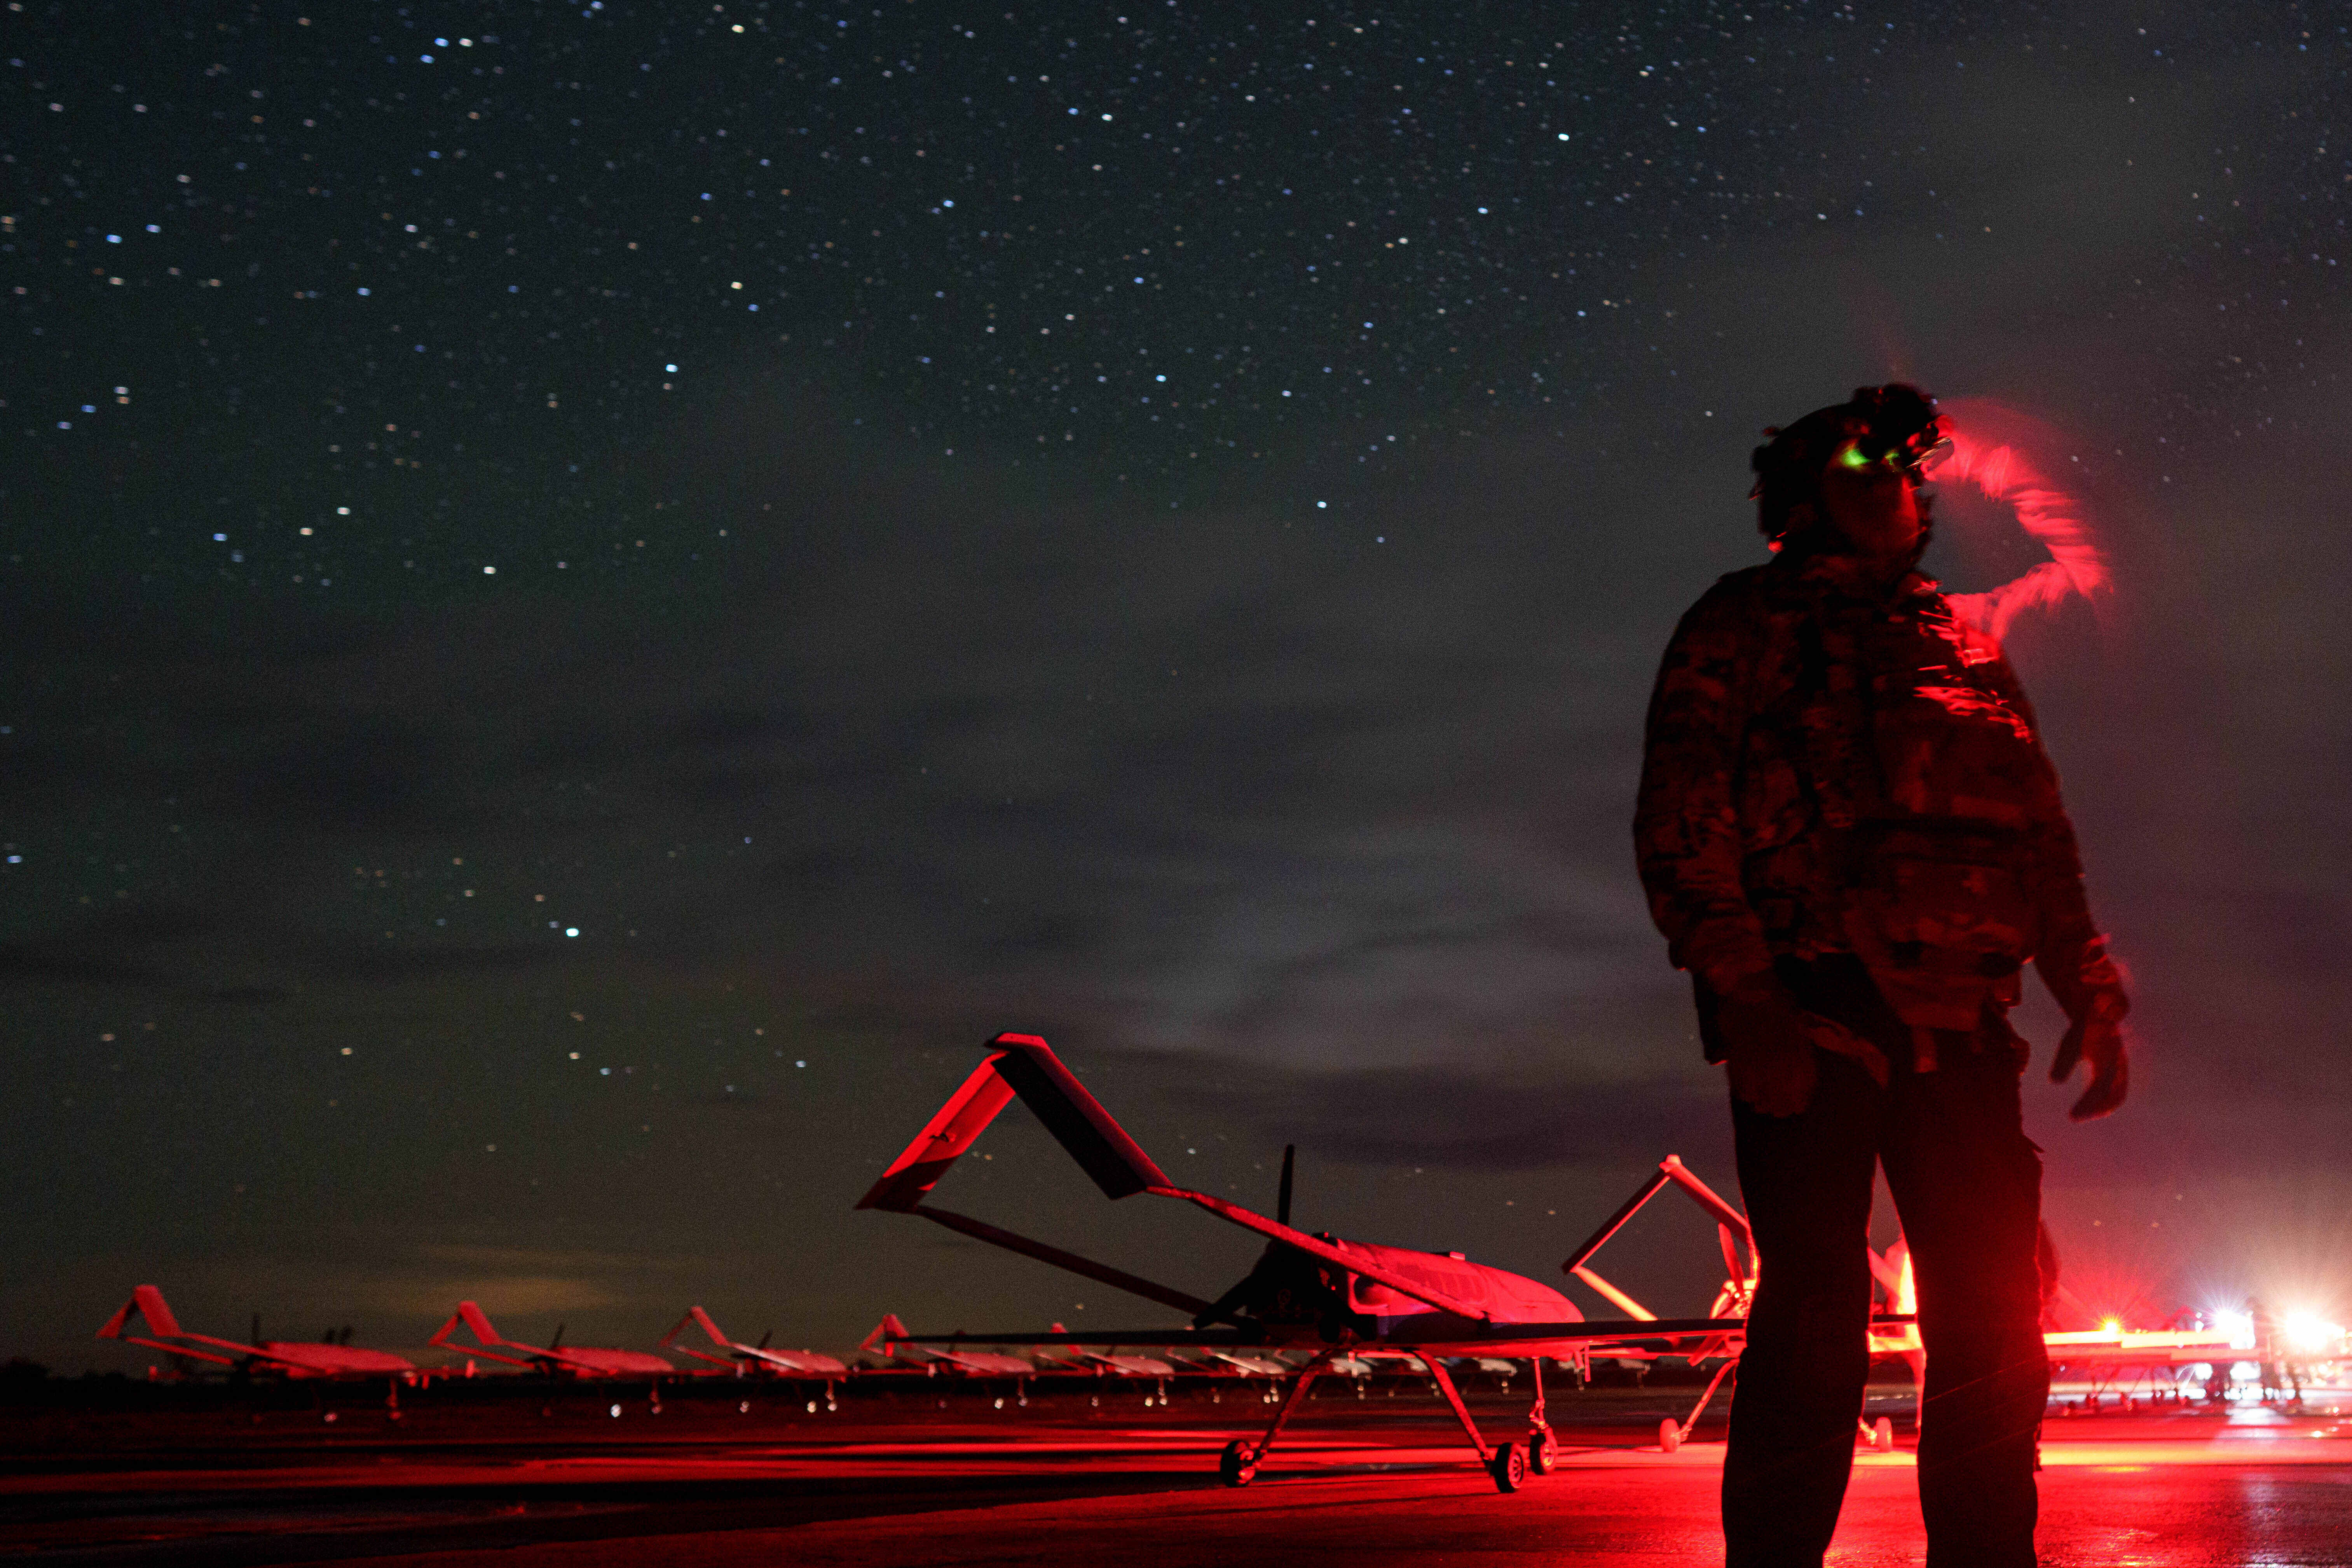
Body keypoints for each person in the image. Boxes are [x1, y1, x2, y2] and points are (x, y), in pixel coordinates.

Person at [1633, 384, 2131, 1567]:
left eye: (1906, 471)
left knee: (1997, 1325)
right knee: (1813, 1322)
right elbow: (1682, 816)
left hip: (1964, 1027)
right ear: (1802, 497)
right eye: (1862, 466)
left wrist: (2090, 986)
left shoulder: (1957, 643)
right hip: (1810, 1008)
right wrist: (1748, 996)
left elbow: (2035, 826)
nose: (1896, 487)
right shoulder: (1738, 624)